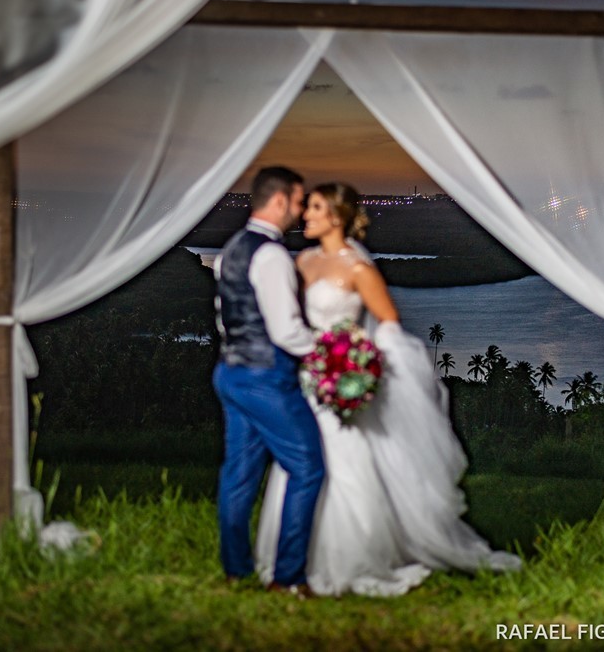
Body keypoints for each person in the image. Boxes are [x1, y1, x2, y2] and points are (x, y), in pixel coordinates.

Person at [255, 182, 522, 597]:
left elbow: (389, 327)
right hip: (308, 380)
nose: (305, 214)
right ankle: (295, 557)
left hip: (342, 381)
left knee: (344, 464)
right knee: (300, 463)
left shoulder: (359, 270)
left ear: (337, 217)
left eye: (315, 208)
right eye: (305, 208)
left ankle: (351, 558)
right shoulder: (304, 262)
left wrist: (357, 368)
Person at [212, 166, 324, 598]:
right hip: (265, 376)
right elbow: (286, 331)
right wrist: (328, 352)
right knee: (308, 467)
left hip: (230, 371)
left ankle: (236, 572)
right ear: (279, 201)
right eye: (297, 202)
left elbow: (227, 319)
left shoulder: (231, 248)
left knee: (239, 475)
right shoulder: (273, 255)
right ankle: (289, 578)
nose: (299, 211)